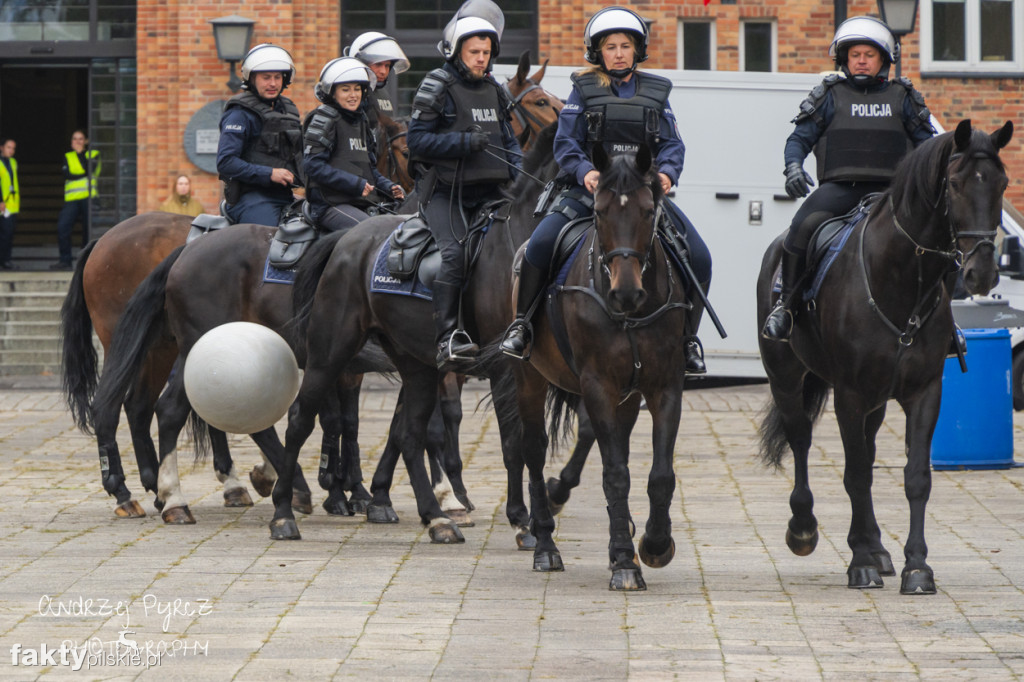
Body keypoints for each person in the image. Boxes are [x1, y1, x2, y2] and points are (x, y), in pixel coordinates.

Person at [498, 6, 712, 374]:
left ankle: (688, 341)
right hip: (589, 194)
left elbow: (672, 145)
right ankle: (522, 326)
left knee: (700, 256)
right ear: (598, 52)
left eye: (624, 46)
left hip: (643, 197)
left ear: (636, 50)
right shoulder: (582, 89)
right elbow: (566, 143)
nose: (617, 53)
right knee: (539, 246)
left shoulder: (658, 92)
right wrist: (584, 172)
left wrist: (668, 174)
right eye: (610, 46)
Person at [761, 16, 936, 341]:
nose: (861, 60)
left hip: (893, 195)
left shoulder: (905, 98)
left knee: (936, 239)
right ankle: (785, 306)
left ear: (883, 59)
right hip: (839, 190)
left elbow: (930, 145)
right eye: (854, 54)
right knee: (801, 227)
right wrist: (793, 168)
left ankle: (945, 323)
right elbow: (799, 139)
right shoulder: (829, 95)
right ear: (844, 59)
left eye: (868, 55)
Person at [407, 0, 522, 369]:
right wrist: (461, 143)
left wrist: (518, 176)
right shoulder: (436, 84)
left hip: (492, 194)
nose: (481, 59)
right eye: (474, 52)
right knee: (453, 255)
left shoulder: (496, 90)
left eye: (487, 53)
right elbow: (416, 141)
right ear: (457, 51)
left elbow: (510, 142)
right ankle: (448, 338)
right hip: (445, 194)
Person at [303, 57, 405, 233]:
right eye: (345, 90)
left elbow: (370, 170)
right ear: (332, 92)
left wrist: (389, 187)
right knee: (374, 233)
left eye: (357, 89)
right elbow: (312, 165)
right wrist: (354, 183)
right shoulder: (324, 119)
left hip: (360, 204)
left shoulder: (361, 121)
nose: (353, 95)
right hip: (329, 205)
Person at [216, 43, 303, 227]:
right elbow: (226, 162)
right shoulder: (239, 114)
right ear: (252, 78)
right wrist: (269, 173)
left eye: (277, 77)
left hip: (286, 197)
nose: (273, 83)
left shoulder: (288, 111)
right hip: (251, 199)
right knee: (267, 242)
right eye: (266, 77)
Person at [52, 129, 100, 270]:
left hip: (89, 198)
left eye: (80, 139)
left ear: (86, 141)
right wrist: (83, 171)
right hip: (72, 199)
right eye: (75, 139)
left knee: (88, 231)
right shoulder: (68, 156)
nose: (77, 142)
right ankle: (65, 261)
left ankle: (87, 263)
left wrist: (81, 156)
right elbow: (67, 175)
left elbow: (90, 170)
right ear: (71, 142)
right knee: (63, 227)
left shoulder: (94, 154)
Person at [345, 31, 411, 130]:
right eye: (378, 64)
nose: (383, 71)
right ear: (360, 63)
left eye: (387, 65)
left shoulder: (383, 93)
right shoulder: (347, 94)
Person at [0, 138, 19, 270]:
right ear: (2, 148)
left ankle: (6, 260)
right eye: (8, 147)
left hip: (12, 205)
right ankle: (4, 261)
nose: (11, 150)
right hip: (3, 204)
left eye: (13, 148)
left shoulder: (13, 162)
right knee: (4, 234)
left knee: (8, 234)